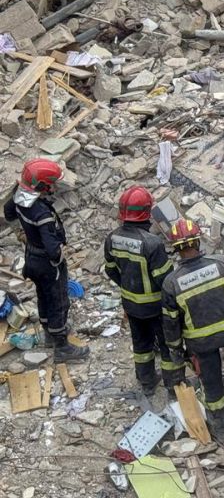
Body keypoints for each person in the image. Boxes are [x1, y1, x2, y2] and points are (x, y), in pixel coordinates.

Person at [161, 219, 224, 441]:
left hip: (202, 342)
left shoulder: (172, 283)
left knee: (212, 383)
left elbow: (171, 322)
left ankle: (221, 428)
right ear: (197, 241)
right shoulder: (222, 263)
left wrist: (176, 349)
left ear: (176, 249)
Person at [3, 159, 88, 361]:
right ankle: (62, 347)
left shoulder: (19, 196)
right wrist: (60, 255)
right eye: (50, 184)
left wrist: (21, 233)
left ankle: (49, 333)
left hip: (31, 258)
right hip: (48, 264)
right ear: (41, 186)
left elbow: (8, 212)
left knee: (43, 295)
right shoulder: (42, 213)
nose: (53, 188)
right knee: (58, 301)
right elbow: (52, 250)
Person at [103, 186, 182, 397]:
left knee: (141, 344)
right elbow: (165, 280)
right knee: (166, 345)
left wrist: (127, 287)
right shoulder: (152, 243)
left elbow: (110, 270)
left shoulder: (112, 238)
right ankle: (172, 385)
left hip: (131, 304)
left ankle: (146, 382)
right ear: (147, 213)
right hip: (156, 306)